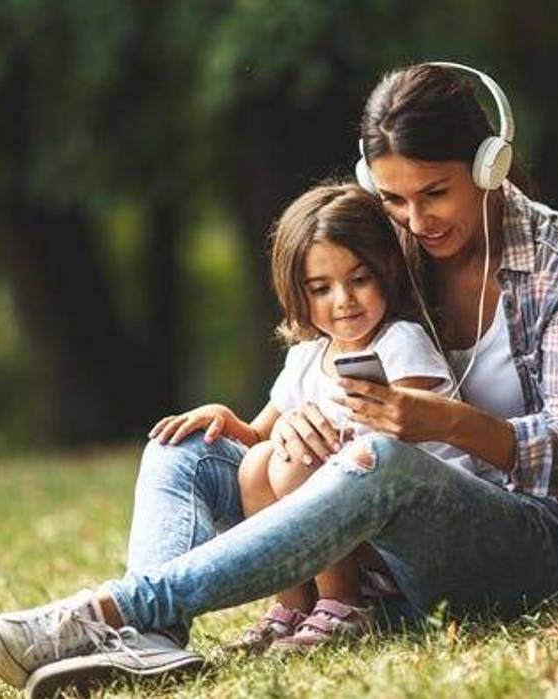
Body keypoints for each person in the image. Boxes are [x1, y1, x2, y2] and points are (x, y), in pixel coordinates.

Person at [0, 62, 558, 699]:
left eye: (435, 193)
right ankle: (153, 642)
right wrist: (286, 423)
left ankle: (115, 608)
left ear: (488, 163)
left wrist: (438, 421)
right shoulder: (385, 252)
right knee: (183, 449)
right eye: (393, 199)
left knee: (382, 459)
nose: (417, 222)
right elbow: (319, 357)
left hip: (533, 545)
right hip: (386, 550)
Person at [147, 182, 470, 653]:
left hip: (407, 521)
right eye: (321, 288)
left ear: (386, 272)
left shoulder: (401, 342)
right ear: (297, 292)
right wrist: (223, 418)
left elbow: (398, 444)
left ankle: (344, 604)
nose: (343, 300)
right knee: (259, 462)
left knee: (298, 459)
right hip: (351, 531)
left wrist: (319, 444)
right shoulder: (306, 357)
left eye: (359, 279)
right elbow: (257, 435)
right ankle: (295, 603)